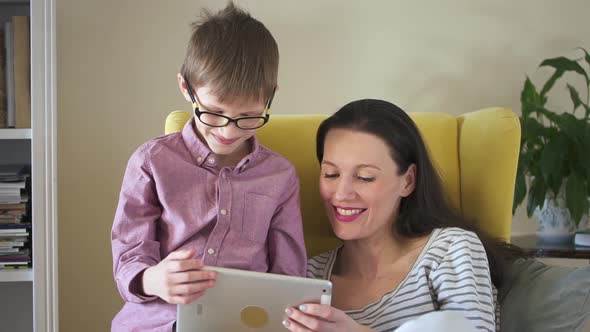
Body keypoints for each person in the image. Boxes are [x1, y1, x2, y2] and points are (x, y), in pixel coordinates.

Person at [111, 3, 307, 331]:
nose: (229, 131)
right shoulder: (151, 163)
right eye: (214, 113)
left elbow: (289, 277)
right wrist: (153, 280)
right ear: (187, 88)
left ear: (270, 97)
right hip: (159, 321)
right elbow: (129, 257)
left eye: (248, 117)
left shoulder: (280, 177)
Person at [283, 99, 515, 332]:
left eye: (365, 177)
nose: (342, 194)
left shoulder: (449, 250)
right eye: (331, 174)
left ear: (408, 181)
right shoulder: (307, 276)